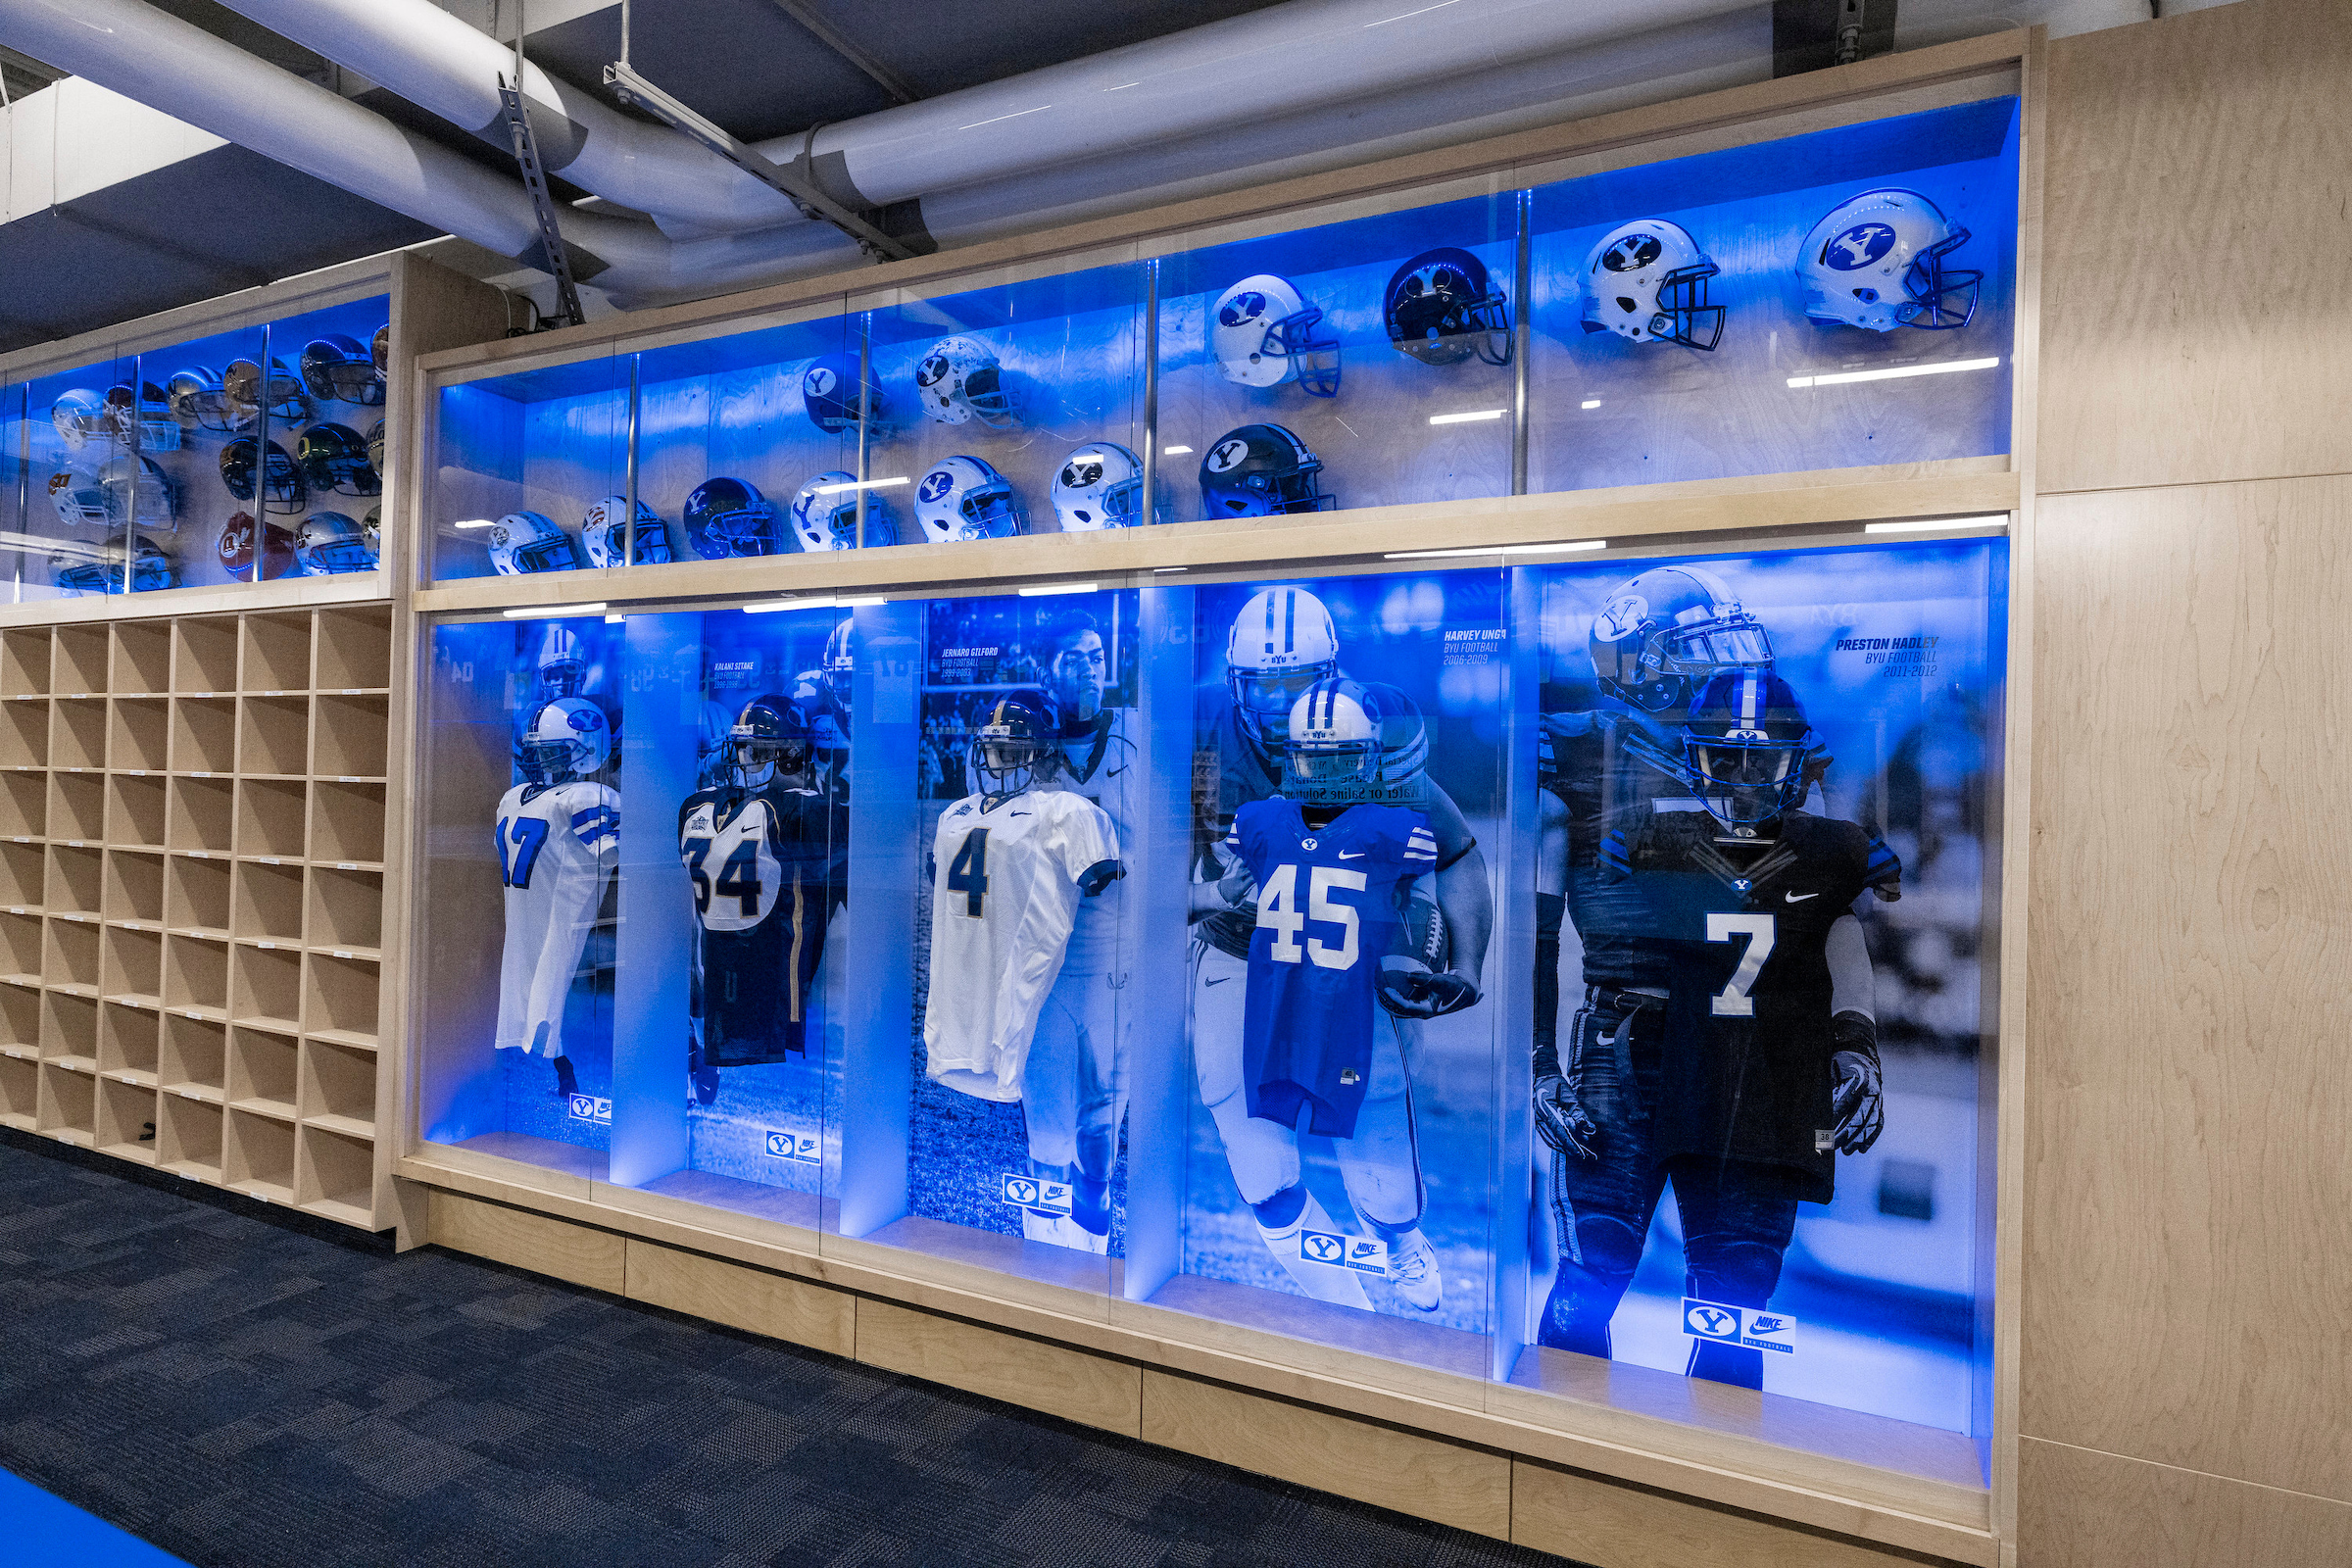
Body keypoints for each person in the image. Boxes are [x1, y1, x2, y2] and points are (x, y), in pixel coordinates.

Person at [1538, 666, 1896, 1389]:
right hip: (1630, 1038)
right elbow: (1536, 926)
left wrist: (1854, 1039)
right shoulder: (1586, 762)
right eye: (1722, 756)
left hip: (1752, 1053)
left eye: (1761, 758)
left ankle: (1709, 1478)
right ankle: (1555, 1463)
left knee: (1733, 1309)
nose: (1740, 775)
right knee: (1591, 1280)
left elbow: (1829, 923)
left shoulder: (1816, 819)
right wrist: (1539, 1058)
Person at [1190, 586, 1491, 1311]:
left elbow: (1455, 854)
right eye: (1263, 685)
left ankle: (1398, 1240)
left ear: (1329, 681)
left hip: (1351, 956)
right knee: (1258, 1159)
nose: (1276, 704)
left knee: (1379, 1142)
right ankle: (1343, 1309)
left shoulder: (1367, 731)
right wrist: (1210, 898)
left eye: (1296, 684)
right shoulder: (1197, 727)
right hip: (1240, 953)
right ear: (1235, 683)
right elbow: (1158, 864)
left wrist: (1462, 963)